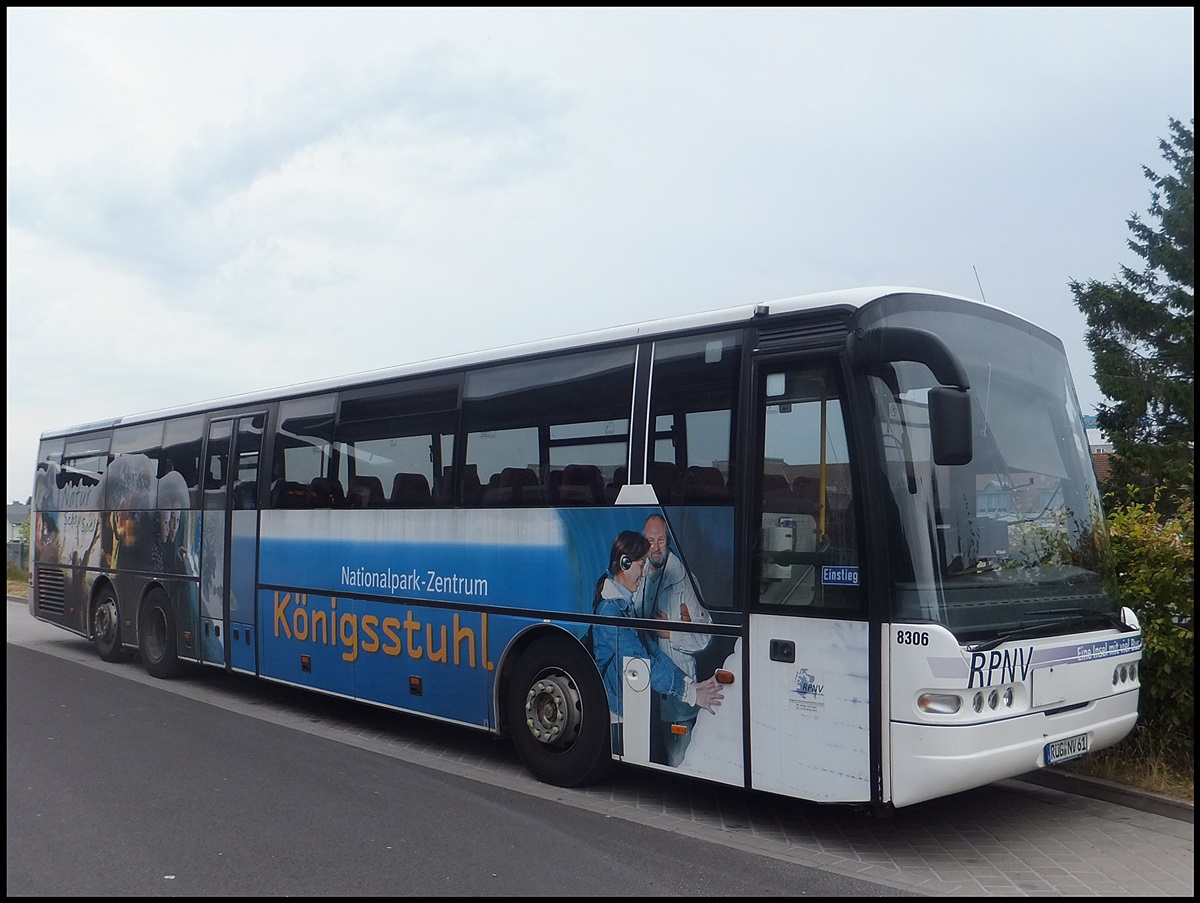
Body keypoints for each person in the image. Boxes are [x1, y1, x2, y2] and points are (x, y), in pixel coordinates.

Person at [591, 530, 724, 757]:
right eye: (641, 565)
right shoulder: (610, 611)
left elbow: (651, 650)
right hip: (617, 713)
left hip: (628, 706)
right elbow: (642, 664)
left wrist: (689, 684)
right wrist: (690, 694)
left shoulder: (623, 606)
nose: (644, 573)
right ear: (624, 563)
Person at [642, 513, 714, 766]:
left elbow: (704, 638)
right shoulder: (638, 578)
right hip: (644, 686)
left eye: (660, 540)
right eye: (650, 541)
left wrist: (669, 632)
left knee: (679, 762)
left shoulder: (686, 580)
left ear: (668, 541)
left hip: (677, 690)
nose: (656, 547)